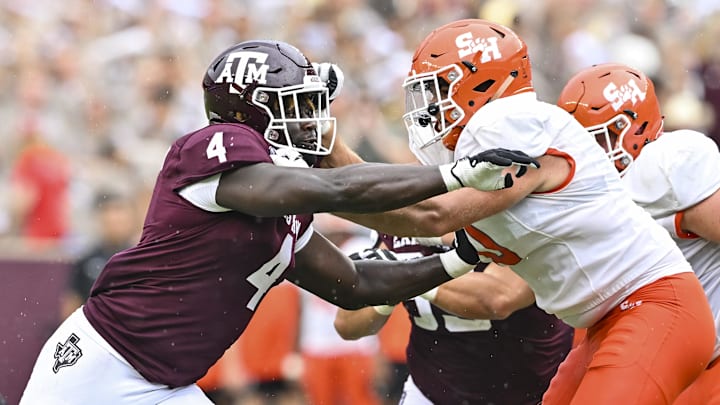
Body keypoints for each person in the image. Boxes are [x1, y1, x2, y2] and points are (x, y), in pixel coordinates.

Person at [18, 39, 537, 405]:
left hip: (166, 383)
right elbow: (331, 187)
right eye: (298, 105)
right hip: (101, 367)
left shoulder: (285, 200)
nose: (313, 120)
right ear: (249, 112)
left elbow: (356, 285)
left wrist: (459, 257)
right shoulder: (212, 150)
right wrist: (452, 177)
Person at [321, 19, 716, 404]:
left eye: (438, 90)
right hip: (608, 322)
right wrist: (326, 148)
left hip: (654, 308)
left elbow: (428, 216)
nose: (430, 109)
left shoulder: (506, 123)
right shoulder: (484, 159)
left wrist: (329, 177)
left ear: (480, 82)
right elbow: (402, 213)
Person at [557, 62, 720, 404]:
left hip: (700, 354)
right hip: (625, 333)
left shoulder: (665, 163)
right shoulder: (587, 190)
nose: (580, 155)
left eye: (592, 141)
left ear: (627, 130)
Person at [334, 233, 573, 405]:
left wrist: (405, 273)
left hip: (534, 392)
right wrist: (385, 293)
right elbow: (347, 325)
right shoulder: (398, 220)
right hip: (430, 391)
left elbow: (500, 298)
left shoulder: (511, 211)